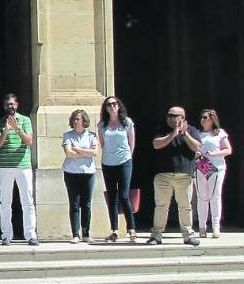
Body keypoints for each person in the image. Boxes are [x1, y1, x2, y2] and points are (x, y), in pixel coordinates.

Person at [148, 106, 200, 246]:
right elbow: (156, 144)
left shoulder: (192, 130)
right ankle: (156, 235)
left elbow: (196, 147)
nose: (170, 118)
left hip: (184, 176)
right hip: (163, 175)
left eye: (174, 115)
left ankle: (188, 235)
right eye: (169, 115)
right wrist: (173, 134)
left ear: (182, 118)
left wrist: (184, 134)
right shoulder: (161, 129)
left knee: (185, 206)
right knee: (161, 206)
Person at [0, 93, 37, 246]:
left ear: (16, 105)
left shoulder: (25, 120)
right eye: (7, 104)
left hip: (23, 166)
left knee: (28, 201)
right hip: (5, 167)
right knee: (5, 202)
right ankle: (6, 235)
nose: (9, 107)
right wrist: (6, 129)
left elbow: (29, 141)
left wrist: (17, 129)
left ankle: (31, 235)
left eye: (12, 104)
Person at [97, 96, 137, 243]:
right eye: (109, 104)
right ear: (105, 108)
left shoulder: (127, 122)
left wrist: (127, 157)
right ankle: (114, 230)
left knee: (124, 195)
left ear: (119, 106)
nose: (112, 106)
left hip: (124, 161)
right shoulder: (102, 124)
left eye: (114, 104)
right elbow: (102, 144)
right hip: (108, 162)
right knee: (112, 197)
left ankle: (131, 229)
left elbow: (131, 142)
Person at [62, 110, 99, 244]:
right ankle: (75, 233)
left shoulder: (91, 136)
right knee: (74, 203)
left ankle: (86, 233)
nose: (75, 121)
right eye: (74, 119)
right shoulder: (67, 135)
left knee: (87, 204)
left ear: (84, 121)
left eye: (78, 119)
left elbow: (94, 153)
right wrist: (85, 153)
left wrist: (77, 149)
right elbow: (69, 153)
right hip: (71, 172)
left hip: (88, 172)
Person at [195, 109, 232, 239]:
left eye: (206, 117)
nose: (203, 119)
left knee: (215, 196)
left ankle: (216, 226)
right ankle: (202, 226)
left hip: (216, 167)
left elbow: (228, 150)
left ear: (212, 119)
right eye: (202, 117)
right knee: (202, 197)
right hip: (200, 167)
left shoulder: (220, 133)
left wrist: (214, 154)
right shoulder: (197, 133)